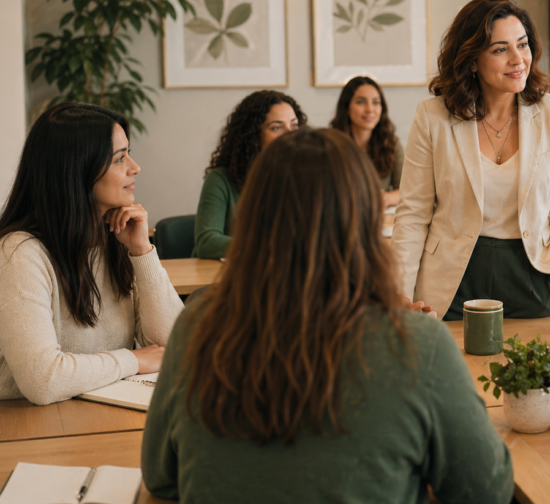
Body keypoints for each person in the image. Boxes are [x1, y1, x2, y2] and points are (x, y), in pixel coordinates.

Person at [142, 129, 513, 503]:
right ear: (365, 223)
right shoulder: (417, 343)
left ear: (252, 218)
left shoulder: (197, 322)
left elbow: (160, 477)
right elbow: (485, 490)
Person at [391, 0, 550, 320]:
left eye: (522, 45)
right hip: (451, 281)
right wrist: (399, 294)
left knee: (534, 371)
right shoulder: (432, 116)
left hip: (532, 275)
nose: (518, 59)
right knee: (453, 371)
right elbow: (412, 214)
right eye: (500, 49)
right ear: (471, 60)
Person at [0, 103, 183, 405]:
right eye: (119, 158)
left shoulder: (113, 239)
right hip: (27, 426)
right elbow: (42, 380)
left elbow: (175, 345)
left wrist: (141, 252)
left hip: (94, 411)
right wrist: (134, 361)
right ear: (76, 170)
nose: (135, 167)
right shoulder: (19, 253)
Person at [193, 90, 306, 259]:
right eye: (276, 127)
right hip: (231, 276)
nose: (290, 134)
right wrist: (272, 246)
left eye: (294, 125)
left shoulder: (307, 177)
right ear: (253, 136)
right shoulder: (220, 179)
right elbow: (207, 242)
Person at [330, 76, 404, 208]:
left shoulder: (391, 143)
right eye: (361, 102)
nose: (370, 109)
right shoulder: (331, 144)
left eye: (376, 102)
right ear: (346, 107)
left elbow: (407, 190)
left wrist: (386, 198)